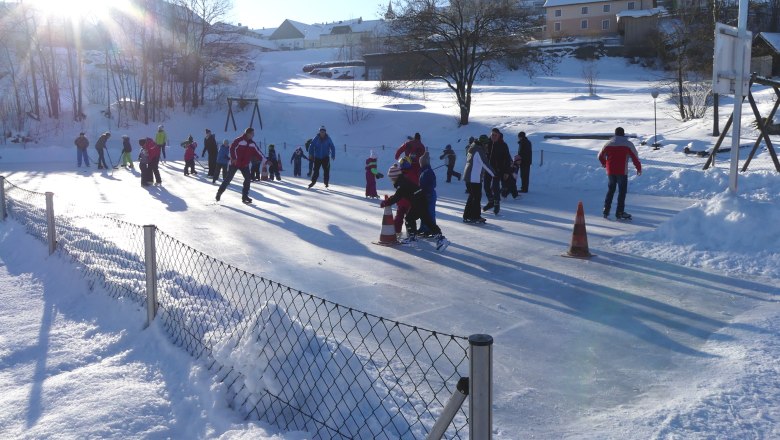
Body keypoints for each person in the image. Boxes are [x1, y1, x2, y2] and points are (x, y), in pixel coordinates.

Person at [380, 157, 449, 251]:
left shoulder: (402, 184)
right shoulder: (403, 180)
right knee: (417, 218)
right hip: (420, 199)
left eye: (391, 178)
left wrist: (386, 202)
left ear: (394, 177)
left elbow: (397, 197)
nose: (391, 180)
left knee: (417, 219)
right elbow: (399, 195)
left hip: (419, 201)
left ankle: (438, 239)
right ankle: (416, 238)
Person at [598, 127, 642, 220]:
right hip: (622, 171)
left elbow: (600, 156)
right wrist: (638, 168)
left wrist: (604, 164)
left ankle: (606, 209)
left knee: (611, 190)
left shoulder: (608, 143)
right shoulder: (628, 144)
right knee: (622, 192)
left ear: (615, 134)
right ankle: (620, 212)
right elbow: (635, 157)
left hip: (610, 171)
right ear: (623, 134)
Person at [216, 127, 263, 204]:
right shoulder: (239, 140)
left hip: (244, 164)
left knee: (248, 179)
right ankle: (219, 193)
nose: (253, 135)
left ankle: (245, 197)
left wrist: (265, 160)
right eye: (252, 133)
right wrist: (234, 158)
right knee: (228, 179)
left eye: (253, 134)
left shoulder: (252, 144)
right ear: (248, 133)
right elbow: (232, 148)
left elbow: (258, 152)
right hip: (235, 163)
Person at [462, 136, 494, 223]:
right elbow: (485, 164)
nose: (487, 145)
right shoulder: (478, 150)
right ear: (483, 143)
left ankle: (467, 216)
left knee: (472, 196)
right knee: (476, 197)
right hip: (473, 178)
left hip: (471, 177)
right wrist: (495, 174)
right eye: (486, 144)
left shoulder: (474, 148)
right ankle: (475, 216)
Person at [482, 128, 512, 215]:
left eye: (495, 135)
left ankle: (496, 204)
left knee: (495, 187)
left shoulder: (503, 145)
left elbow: (507, 159)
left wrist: (506, 171)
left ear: (499, 135)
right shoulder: (487, 143)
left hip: (498, 169)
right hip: (488, 168)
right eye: (492, 135)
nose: (493, 137)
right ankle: (491, 201)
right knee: (486, 186)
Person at [417, 151, 438, 237]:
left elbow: (433, 184)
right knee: (424, 212)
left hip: (430, 195)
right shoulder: (423, 171)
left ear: (424, 162)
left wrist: (428, 192)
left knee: (430, 212)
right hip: (424, 194)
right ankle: (423, 228)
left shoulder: (428, 171)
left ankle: (431, 230)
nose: (420, 164)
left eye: (421, 162)